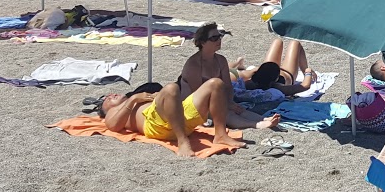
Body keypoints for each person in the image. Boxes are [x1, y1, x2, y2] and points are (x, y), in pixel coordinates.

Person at [99, 78, 258, 158]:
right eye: (108, 98)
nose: (112, 95)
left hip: (179, 118)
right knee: (171, 88)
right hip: (155, 126)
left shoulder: (139, 98)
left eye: (112, 94)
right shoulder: (116, 111)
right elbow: (113, 126)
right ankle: (183, 141)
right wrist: (134, 99)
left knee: (215, 83)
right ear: (106, 109)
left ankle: (220, 135)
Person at [176, 24, 281, 129]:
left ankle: (262, 119)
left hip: (211, 100)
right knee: (226, 112)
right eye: (214, 38)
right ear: (202, 42)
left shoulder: (220, 60)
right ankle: (256, 124)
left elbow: (228, 86)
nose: (219, 40)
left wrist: (230, 102)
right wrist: (226, 104)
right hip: (192, 105)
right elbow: (197, 94)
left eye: (220, 36)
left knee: (238, 109)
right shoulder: (194, 64)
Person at [231, 38, 316, 96]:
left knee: (280, 41)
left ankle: (240, 63)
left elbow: (230, 70)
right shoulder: (278, 87)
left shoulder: (248, 84)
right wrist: (307, 71)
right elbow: (305, 86)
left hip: (275, 72)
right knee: (294, 43)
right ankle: (240, 63)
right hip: (286, 73)